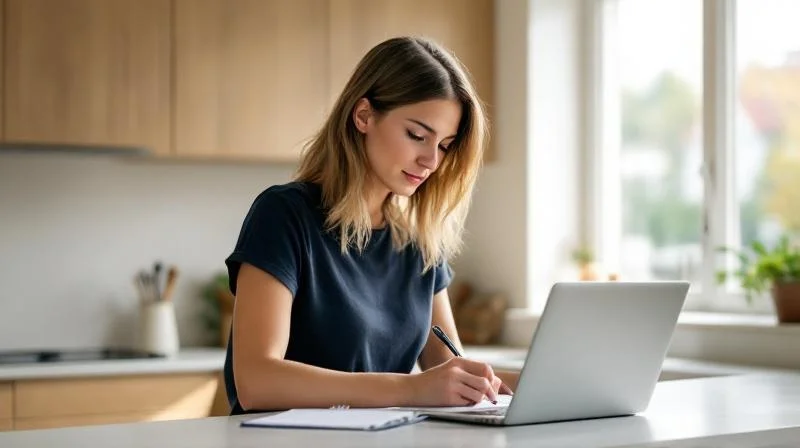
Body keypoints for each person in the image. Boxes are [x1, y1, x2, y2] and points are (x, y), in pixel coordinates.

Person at [223, 36, 519, 415]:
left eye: (444, 145)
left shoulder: (418, 239)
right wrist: (411, 389)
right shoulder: (283, 215)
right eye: (417, 135)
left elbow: (447, 368)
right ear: (363, 115)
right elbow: (257, 382)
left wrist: (540, 381)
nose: (431, 160)